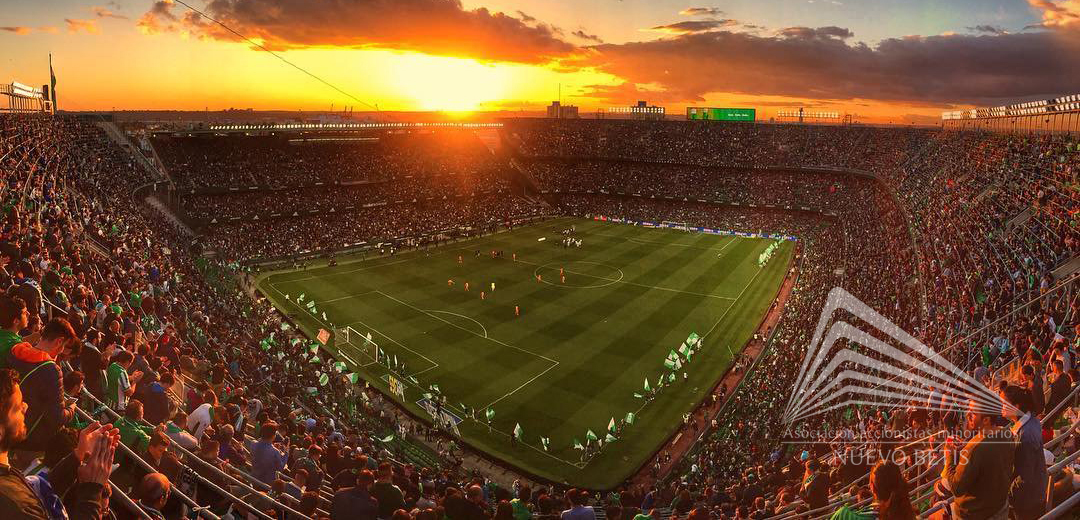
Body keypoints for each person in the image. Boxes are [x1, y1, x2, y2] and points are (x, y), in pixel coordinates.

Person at [0, 368, 112, 518]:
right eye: (17, 406)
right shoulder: (18, 507)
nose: (25, 407)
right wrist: (91, 491)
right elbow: (27, 501)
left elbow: (37, 492)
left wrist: (77, 456)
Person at [3, 317, 78, 451]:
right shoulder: (51, 370)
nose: (62, 351)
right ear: (59, 341)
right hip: (27, 440)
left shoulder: (15, 351)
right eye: (64, 346)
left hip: (5, 427)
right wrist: (71, 408)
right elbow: (57, 417)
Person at [941, 399, 1016, 519]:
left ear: (986, 420)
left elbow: (956, 487)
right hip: (999, 507)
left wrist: (949, 455)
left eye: (973, 413)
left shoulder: (975, 447)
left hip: (975, 514)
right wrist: (966, 448)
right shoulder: (1005, 433)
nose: (967, 415)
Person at [1003, 385, 1048, 519]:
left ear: (1016, 406)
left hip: (1026, 500)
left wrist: (1007, 494)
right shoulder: (1030, 422)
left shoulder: (1025, 435)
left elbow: (1025, 477)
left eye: (1004, 403)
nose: (1001, 406)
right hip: (1033, 493)